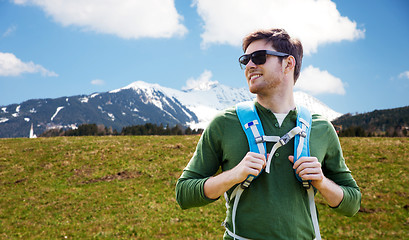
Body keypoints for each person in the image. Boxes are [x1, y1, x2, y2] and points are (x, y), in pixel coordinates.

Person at [175, 28, 361, 240]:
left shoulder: (321, 128)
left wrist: (322, 182)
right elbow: (184, 194)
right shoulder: (225, 123)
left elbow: (352, 204)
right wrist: (233, 175)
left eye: (259, 57)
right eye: (246, 60)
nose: (250, 65)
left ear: (288, 64)